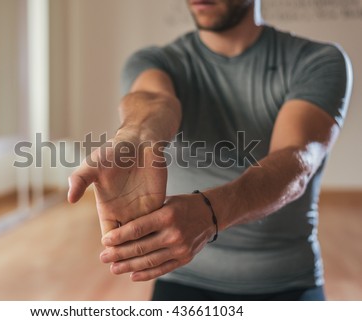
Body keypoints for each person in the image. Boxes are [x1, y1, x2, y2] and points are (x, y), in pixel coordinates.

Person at [67, 0, 352, 300]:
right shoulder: (156, 61)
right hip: (180, 275)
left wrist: (211, 213)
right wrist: (135, 138)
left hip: (287, 281)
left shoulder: (318, 60)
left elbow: (296, 158)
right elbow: (152, 100)